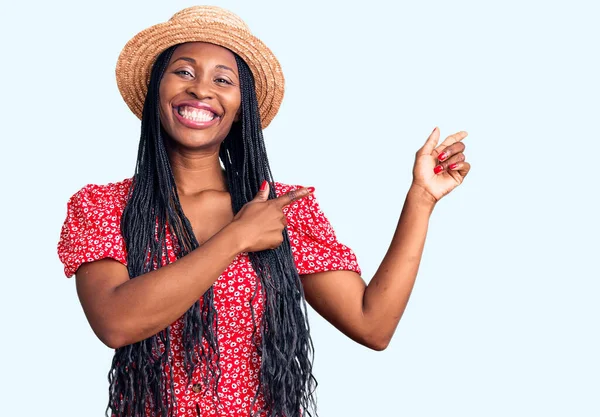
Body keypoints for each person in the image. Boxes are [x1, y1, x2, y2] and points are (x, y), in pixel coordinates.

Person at [57, 5, 470, 417]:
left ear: (241, 107)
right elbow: (115, 322)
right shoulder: (103, 206)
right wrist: (238, 236)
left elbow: (372, 324)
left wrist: (421, 198)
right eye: (183, 72)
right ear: (155, 88)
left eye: (223, 79)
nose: (201, 89)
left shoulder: (282, 209)